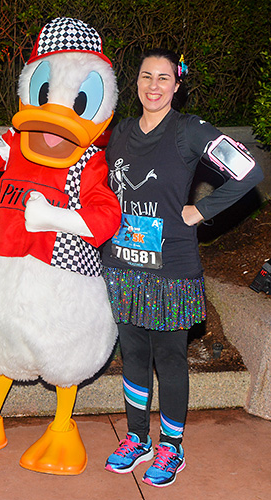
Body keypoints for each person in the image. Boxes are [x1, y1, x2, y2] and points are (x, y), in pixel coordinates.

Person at [101, 48, 264, 488]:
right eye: (145, 76)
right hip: (124, 263)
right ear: (135, 82)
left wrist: (202, 210)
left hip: (170, 268)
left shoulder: (190, 130)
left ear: (177, 85)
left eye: (163, 78)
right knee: (132, 355)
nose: (153, 86)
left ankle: (172, 446)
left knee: (169, 358)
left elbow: (248, 171)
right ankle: (137, 438)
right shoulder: (119, 133)